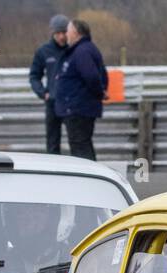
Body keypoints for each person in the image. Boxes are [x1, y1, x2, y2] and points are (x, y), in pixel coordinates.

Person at [53, 18, 108, 162]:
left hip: (79, 109)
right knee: (81, 145)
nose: (66, 34)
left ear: (76, 32)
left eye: (68, 31)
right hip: (76, 108)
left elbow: (91, 76)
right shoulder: (81, 50)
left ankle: (90, 179)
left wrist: (100, 93)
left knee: (81, 148)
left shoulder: (82, 51)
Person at [29, 15, 70, 154]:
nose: (62, 36)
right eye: (58, 33)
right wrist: (43, 93)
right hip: (52, 103)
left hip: (72, 102)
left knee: (77, 140)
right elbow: (34, 76)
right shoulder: (44, 51)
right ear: (53, 33)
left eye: (64, 32)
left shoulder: (75, 49)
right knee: (52, 142)